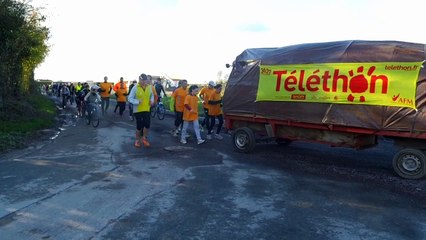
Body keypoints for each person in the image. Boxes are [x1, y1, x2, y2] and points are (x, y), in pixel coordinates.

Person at [128, 73, 154, 148]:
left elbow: (151, 95)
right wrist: (137, 101)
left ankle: (144, 138)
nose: (143, 82)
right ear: (139, 79)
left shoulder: (149, 87)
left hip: (146, 109)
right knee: (139, 126)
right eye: (142, 80)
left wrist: (151, 100)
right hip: (138, 110)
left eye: (144, 80)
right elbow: (130, 98)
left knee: (147, 125)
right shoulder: (135, 87)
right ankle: (137, 140)